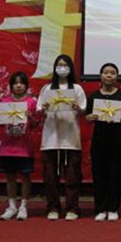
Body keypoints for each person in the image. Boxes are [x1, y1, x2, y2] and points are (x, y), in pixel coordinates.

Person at [37, 54, 87, 221]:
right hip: (51, 137)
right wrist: (44, 108)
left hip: (71, 137)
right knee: (50, 176)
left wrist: (77, 107)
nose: (62, 68)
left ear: (71, 68)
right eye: (59, 65)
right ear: (54, 68)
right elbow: (39, 110)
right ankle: (53, 207)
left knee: (72, 176)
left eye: (65, 65)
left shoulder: (77, 89)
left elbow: (83, 111)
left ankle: (72, 208)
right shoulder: (47, 88)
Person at [85, 63, 121, 222]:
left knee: (116, 174)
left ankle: (113, 208)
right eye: (106, 72)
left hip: (117, 140)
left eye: (112, 73)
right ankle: (100, 208)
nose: (109, 75)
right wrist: (90, 117)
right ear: (100, 75)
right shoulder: (93, 96)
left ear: (117, 76)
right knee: (99, 174)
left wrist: (119, 116)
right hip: (99, 140)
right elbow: (88, 116)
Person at [0, 71, 38, 221]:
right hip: (7, 147)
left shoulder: (31, 102)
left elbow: (35, 125)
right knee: (10, 177)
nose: (19, 86)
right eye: (15, 83)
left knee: (26, 176)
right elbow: (1, 124)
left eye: (22, 83)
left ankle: (23, 206)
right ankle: (12, 206)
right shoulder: (4, 102)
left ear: (26, 85)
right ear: (11, 86)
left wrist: (31, 117)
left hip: (24, 148)